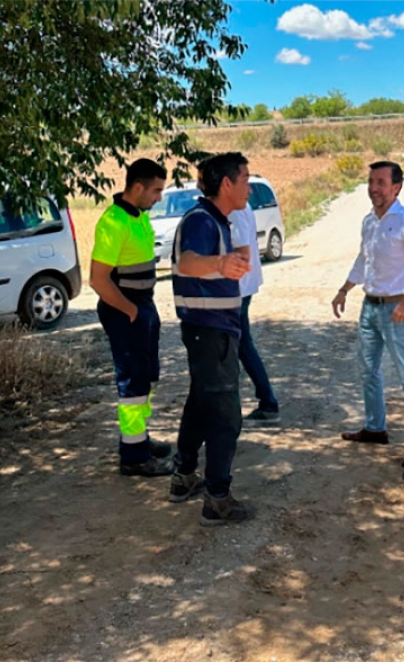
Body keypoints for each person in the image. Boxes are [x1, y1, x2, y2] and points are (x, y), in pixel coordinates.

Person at [170, 152, 254, 525]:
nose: (249, 188)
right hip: (211, 330)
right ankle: (217, 497)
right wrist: (220, 264)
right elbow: (187, 262)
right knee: (224, 415)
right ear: (227, 184)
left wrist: (228, 261)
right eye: (246, 180)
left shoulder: (214, 221)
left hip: (208, 330)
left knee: (201, 405)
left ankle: (184, 476)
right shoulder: (203, 221)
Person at [331, 161, 404, 468]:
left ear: (396, 187)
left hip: (397, 311)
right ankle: (375, 428)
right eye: (371, 181)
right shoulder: (369, 221)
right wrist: (345, 289)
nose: (374, 188)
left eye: (381, 182)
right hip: (369, 307)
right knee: (367, 369)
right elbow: (364, 259)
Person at [90, 158, 173, 476]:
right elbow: (99, 280)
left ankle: (138, 439)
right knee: (133, 381)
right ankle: (134, 457)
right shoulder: (113, 222)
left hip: (142, 307)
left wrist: (142, 310)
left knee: (147, 376)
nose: (158, 198)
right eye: (155, 191)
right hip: (125, 310)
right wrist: (131, 311)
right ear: (137, 187)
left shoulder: (138, 215)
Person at [230, 201, 281, 426]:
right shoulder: (242, 205)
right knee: (242, 345)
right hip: (243, 286)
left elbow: (241, 249)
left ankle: (266, 402)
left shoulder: (234, 208)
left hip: (237, 289)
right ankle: (266, 401)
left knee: (237, 347)